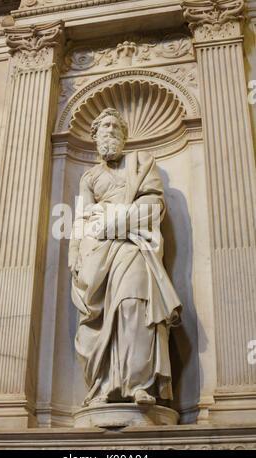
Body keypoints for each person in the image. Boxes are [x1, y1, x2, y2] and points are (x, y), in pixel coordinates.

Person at [68, 108, 181, 407]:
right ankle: (104, 386)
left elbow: (154, 203)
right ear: (94, 137)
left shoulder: (141, 163)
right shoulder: (89, 176)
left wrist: (117, 220)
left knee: (134, 304)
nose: (111, 132)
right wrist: (75, 253)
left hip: (132, 242)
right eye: (104, 127)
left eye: (116, 127)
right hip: (98, 248)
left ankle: (138, 384)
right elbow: (81, 218)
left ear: (125, 135)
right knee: (98, 316)